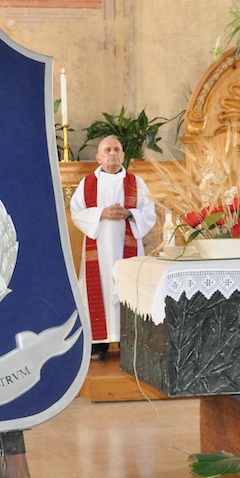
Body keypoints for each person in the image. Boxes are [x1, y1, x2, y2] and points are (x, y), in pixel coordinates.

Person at [70, 136, 156, 361]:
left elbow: (149, 212)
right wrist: (101, 213)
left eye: (117, 149)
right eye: (107, 150)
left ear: (123, 155)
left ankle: (129, 342)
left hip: (128, 249)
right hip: (98, 247)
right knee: (97, 289)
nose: (112, 154)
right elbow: (76, 212)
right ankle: (98, 343)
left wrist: (129, 214)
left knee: (130, 288)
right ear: (98, 157)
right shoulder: (87, 183)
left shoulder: (136, 182)